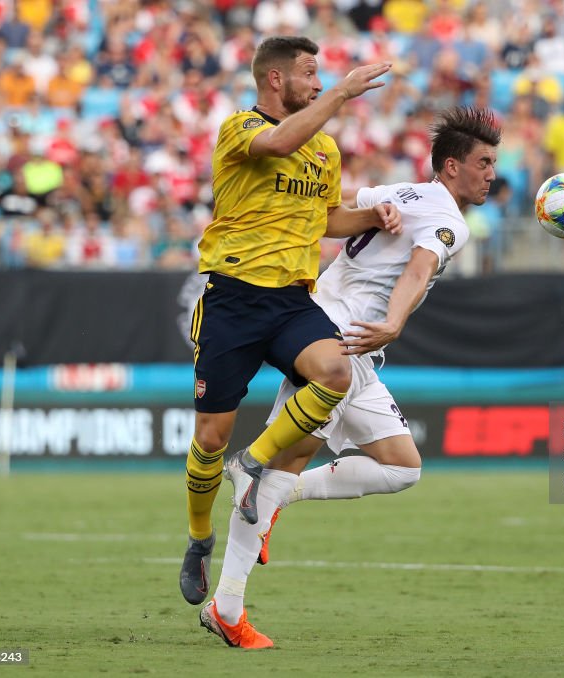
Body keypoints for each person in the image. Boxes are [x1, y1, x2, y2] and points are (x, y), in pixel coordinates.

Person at [198, 106, 501, 648]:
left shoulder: (399, 192)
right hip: (339, 342)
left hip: (339, 336)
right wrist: (393, 321)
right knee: (272, 471)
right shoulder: (449, 220)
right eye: (483, 162)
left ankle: (274, 493)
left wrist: (371, 217)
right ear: (452, 167)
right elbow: (418, 269)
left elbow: (334, 214)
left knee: (403, 468)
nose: (491, 174)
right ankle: (227, 607)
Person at [180, 36, 402, 607]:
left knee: (335, 372)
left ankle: (251, 466)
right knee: (209, 436)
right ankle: (199, 538)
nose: (319, 82)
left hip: (290, 301)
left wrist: (370, 217)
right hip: (233, 299)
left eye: (323, 74)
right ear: (275, 79)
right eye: (310, 73)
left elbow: (328, 219)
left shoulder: (324, 148)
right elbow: (279, 142)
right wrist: (347, 92)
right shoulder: (239, 128)